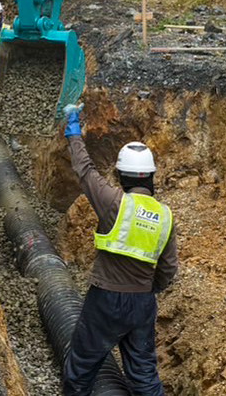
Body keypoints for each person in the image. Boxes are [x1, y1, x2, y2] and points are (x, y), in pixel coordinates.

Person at [61, 104, 178, 396]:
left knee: (81, 367)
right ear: (150, 177)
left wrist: (73, 129)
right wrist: (148, 289)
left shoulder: (114, 202)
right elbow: (168, 269)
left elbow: (84, 171)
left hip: (106, 299)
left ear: (122, 176)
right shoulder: (165, 215)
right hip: (142, 302)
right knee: (143, 375)